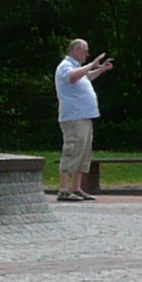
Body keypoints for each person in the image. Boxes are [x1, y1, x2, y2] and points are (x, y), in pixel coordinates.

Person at [53, 39, 113, 202]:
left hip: (85, 117)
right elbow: (72, 78)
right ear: (75, 51)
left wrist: (101, 70)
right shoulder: (66, 66)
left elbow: (85, 77)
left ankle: (77, 188)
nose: (87, 54)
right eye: (84, 50)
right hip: (73, 118)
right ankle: (64, 189)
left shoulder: (78, 68)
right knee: (72, 150)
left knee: (84, 152)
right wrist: (92, 64)